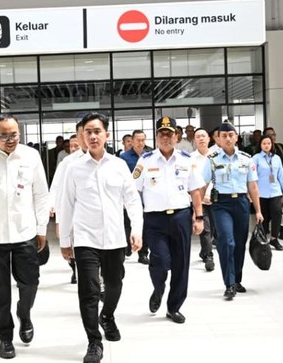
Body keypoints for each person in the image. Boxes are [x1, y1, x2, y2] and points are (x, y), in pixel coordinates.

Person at [59, 112, 143, 363]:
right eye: (88, 132)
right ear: (82, 136)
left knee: (114, 285)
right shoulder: (73, 168)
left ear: (106, 134)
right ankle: (93, 341)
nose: (93, 136)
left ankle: (107, 316)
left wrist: (136, 229)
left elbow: (132, 200)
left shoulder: (118, 166)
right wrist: (65, 241)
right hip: (85, 238)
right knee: (89, 290)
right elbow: (67, 205)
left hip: (115, 238)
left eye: (97, 131)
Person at [0, 114, 49, 359]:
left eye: (14, 134)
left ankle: (24, 314)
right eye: (4, 135)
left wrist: (41, 228)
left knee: (30, 284)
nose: (10, 139)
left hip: (25, 233)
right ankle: (5, 336)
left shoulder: (31, 156)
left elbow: (41, 195)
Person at [134, 116, 205, 323]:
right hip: (154, 220)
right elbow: (133, 192)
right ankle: (158, 288)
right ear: (156, 137)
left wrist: (198, 216)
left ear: (176, 136)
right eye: (161, 134)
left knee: (182, 264)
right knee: (160, 262)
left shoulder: (186, 159)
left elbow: (195, 191)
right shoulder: (145, 161)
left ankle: (174, 307)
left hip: (181, 217)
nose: (165, 137)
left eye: (169, 134)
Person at [207, 122, 263, 300]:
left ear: (236, 137)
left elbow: (253, 186)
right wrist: (197, 209)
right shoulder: (212, 159)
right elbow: (201, 185)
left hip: (241, 203)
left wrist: (258, 210)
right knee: (227, 241)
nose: (228, 138)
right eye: (224, 136)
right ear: (218, 139)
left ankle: (237, 279)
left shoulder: (247, 159)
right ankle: (229, 283)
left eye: (231, 135)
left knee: (239, 243)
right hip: (220, 204)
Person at [49, 122, 87, 285]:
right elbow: (56, 185)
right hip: (69, 210)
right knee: (70, 244)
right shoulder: (67, 162)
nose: (73, 148)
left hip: (89, 213)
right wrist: (52, 205)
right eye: (71, 146)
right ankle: (76, 270)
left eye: (75, 145)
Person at [252, 135, 283, 250]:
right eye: (264, 143)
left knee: (277, 213)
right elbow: (252, 177)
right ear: (260, 145)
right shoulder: (256, 158)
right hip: (261, 193)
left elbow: (281, 176)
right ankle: (263, 239)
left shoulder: (277, 158)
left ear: (272, 144)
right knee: (263, 217)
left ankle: (274, 238)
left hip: (275, 191)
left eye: (269, 143)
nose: (266, 145)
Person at [120, 130, 150, 264]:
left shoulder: (150, 155)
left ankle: (143, 254)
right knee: (128, 224)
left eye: (143, 140)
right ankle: (128, 244)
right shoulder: (124, 157)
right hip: (130, 197)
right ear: (132, 141)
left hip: (147, 196)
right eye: (138, 140)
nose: (141, 143)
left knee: (146, 226)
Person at [191, 127, 216, 272]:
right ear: (194, 140)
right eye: (198, 136)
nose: (201, 139)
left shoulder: (216, 155)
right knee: (205, 229)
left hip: (216, 198)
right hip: (199, 200)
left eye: (203, 136)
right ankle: (209, 257)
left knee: (212, 229)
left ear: (209, 139)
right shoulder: (190, 158)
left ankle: (204, 251)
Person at [264, 127, 283, 240]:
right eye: (269, 135)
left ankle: (281, 231)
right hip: (265, 187)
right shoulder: (258, 154)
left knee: (278, 210)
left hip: (279, 183)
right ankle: (265, 231)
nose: (272, 137)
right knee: (266, 211)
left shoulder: (280, 148)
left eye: (273, 134)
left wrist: (282, 169)